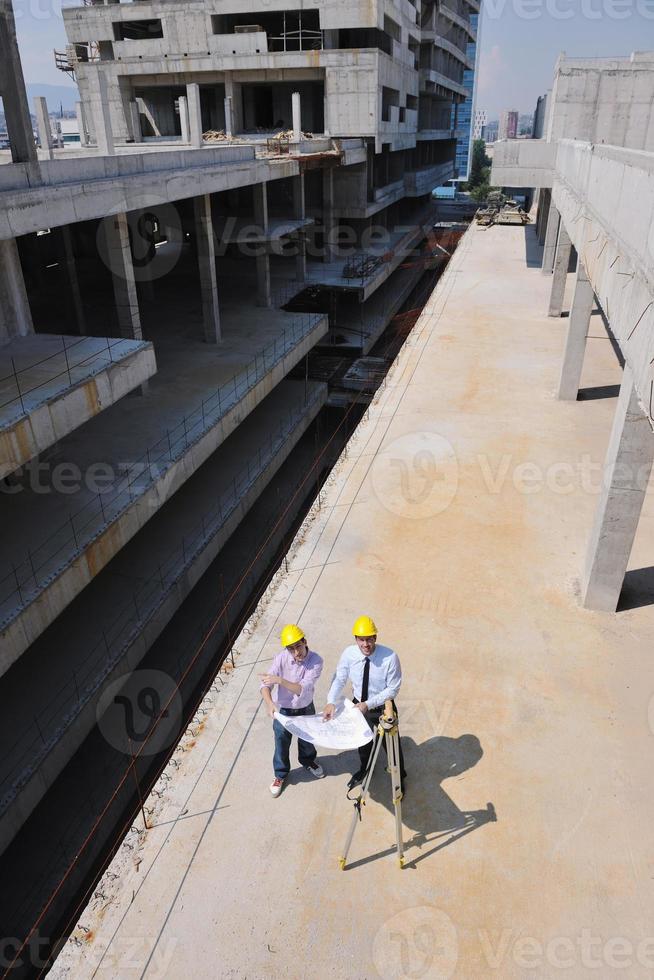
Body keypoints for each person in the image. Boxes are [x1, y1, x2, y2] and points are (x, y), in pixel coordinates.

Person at [322, 615, 406, 790]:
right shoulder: (349, 654)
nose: (366, 644)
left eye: (369, 639)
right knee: (363, 742)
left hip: (383, 707)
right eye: (362, 640)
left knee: (392, 746)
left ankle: (399, 778)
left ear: (375, 638)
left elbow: (393, 689)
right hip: (358, 705)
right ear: (356, 639)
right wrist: (331, 701)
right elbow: (339, 678)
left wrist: (368, 704)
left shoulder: (390, 658)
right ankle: (365, 770)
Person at [260, 623, 325, 797]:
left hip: (305, 707)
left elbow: (302, 689)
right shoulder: (281, 658)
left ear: (304, 641)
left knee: (307, 738)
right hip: (283, 710)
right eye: (291, 648)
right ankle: (280, 775)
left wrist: (280, 681)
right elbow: (264, 684)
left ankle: (308, 761)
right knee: (281, 741)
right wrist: (269, 703)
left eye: (298, 646)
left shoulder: (316, 661)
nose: (296, 652)